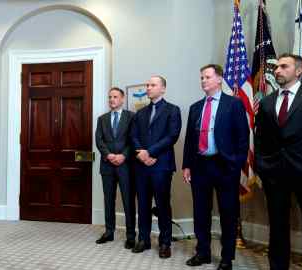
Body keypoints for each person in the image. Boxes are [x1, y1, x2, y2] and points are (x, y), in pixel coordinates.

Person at [182, 64, 249, 270]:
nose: (203, 81)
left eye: (208, 77)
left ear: (219, 79)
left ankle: (227, 258)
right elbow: (189, 140)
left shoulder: (234, 104)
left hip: (224, 166)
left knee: (228, 213)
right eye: (202, 77)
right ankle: (203, 253)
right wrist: (187, 165)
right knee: (201, 212)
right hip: (200, 165)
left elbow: (243, 137)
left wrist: (235, 165)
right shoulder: (195, 107)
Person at [255, 53, 302, 270]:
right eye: (276, 67)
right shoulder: (267, 102)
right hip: (275, 174)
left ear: (299, 71)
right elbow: (260, 138)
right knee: (278, 226)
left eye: (284, 66)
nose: (277, 70)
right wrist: (261, 165)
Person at [130, 75, 181, 257]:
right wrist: (141, 154)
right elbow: (133, 136)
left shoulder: (172, 110)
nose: (149, 87)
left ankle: (165, 243)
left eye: (153, 85)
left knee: (162, 205)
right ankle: (143, 239)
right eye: (148, 85)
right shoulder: (140, 113)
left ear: (163, 89)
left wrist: (150, 152)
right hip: (142, 166)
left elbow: (172, 136)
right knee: (143, 204)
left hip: (162, 165)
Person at [95, 87, 136, 249]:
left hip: (126, 166)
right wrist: (109, 155)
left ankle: (131, 235)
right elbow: (99, 141)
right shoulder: (102, 119)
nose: (112, 99)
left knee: (128, 201)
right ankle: (109, 232)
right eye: (110, 97)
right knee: (108, 200)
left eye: (115, 97)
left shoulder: (131, 117)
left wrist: (123, 155)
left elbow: (133, 140)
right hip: (107, 166)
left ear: (122, 98)